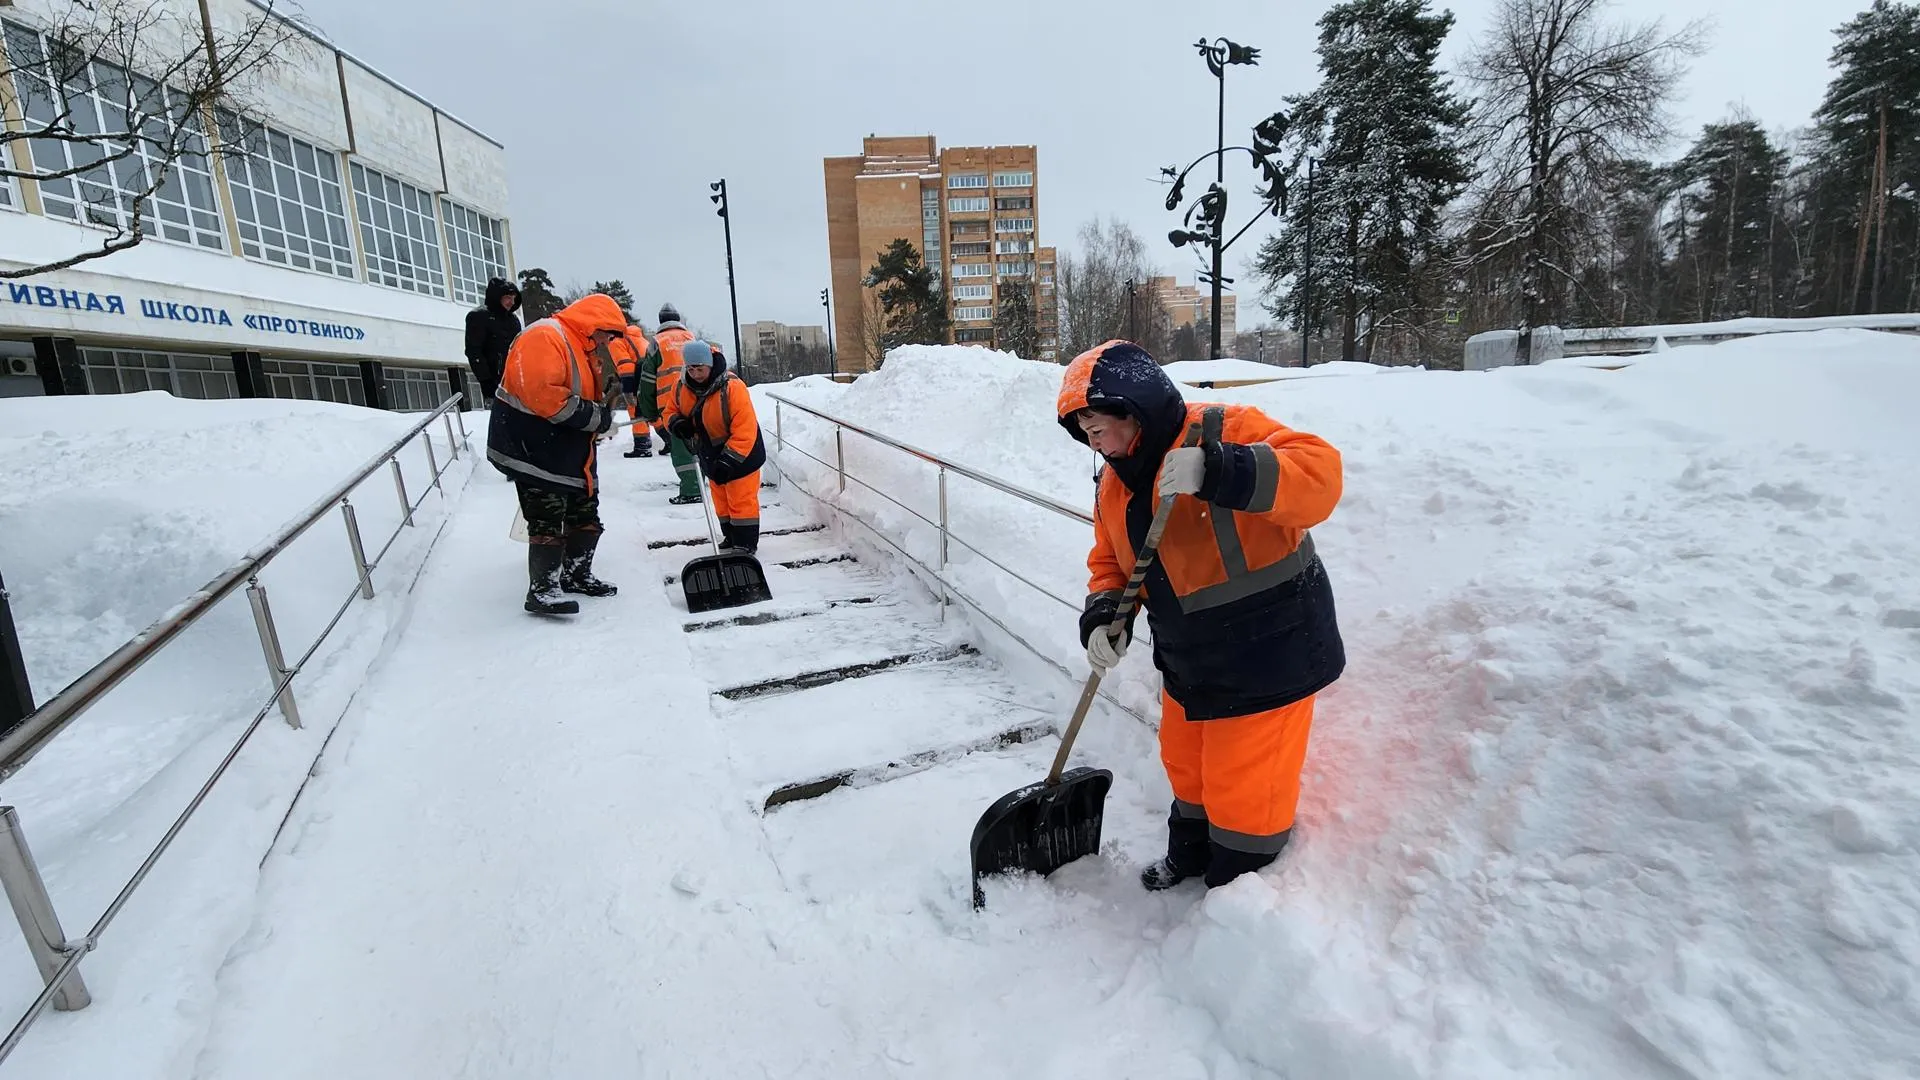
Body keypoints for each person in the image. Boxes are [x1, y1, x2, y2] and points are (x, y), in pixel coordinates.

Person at [1057, 339, 1345, 890]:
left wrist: (1219, 469)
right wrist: (1104, 616)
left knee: (1244, 783)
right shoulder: (1115, 482)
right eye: (1086, 434)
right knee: (1186, 763)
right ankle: (1191, 855)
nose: (1095, 444)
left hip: (1269, 651)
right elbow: (1110, 561)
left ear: (1136, 409)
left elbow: (1321, 478)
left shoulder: (1223, 429)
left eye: (1100, 428)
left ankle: (1239, 890)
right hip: (1190, 656)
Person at [487, 292, 626, 615]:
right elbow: (545, 396)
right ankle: (543, 589)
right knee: (546, 516)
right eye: (607, 334)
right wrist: (596, 417)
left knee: (584, 511)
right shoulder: (545, 336)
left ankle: (576, 573)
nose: (607, 342)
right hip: (533, 447)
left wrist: (598, 419)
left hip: (566, 449)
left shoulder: (580, 347)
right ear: (594, 324)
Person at [666, 339, 766, 553]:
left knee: (741, 500)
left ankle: (745, 543)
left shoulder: (732, 387)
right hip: (709, 452)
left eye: (700, 369)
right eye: (690, 369)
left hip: (742, 454)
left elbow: (745, 428)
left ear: (710, 365)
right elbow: (670, 411)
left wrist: (729, 460)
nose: (695, 374)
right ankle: (730, 537)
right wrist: (677, 423)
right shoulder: (680, 386)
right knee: (721, 501)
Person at [640, 302, 701, 504]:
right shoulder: (691, 338)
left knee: (681, 450)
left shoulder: (657, 343)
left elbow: (647, 381)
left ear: (661, 321)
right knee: (699, 442)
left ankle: (692, 490)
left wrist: (649, 412)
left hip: (671, 405)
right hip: (696, 399)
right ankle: (701, 482)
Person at [464, 276, 521, 405]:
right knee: (500, 414)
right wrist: (486, 380)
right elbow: (474, 351)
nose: (512, 302)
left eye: (514, 298)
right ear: (497, 297)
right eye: (508, 297)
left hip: (515, 381)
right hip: (494, 381)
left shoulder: (513, 320)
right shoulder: (479, 317)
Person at [613, 321, 653, 457]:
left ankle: (642, 447)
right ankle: (669, 440)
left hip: (636, 377)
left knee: (635, 410)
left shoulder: (617, 341)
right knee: (651, 409)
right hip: (650, 376)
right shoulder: (640, 338)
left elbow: (625, 365)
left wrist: (628, 389)